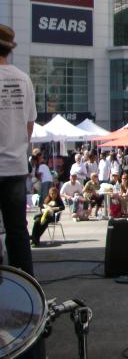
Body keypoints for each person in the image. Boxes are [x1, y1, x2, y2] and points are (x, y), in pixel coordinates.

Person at [0, 24, 37, 274]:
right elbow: (29, 125)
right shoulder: (23, 79)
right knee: (17, 230)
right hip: (15, 166)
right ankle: (25, 286)